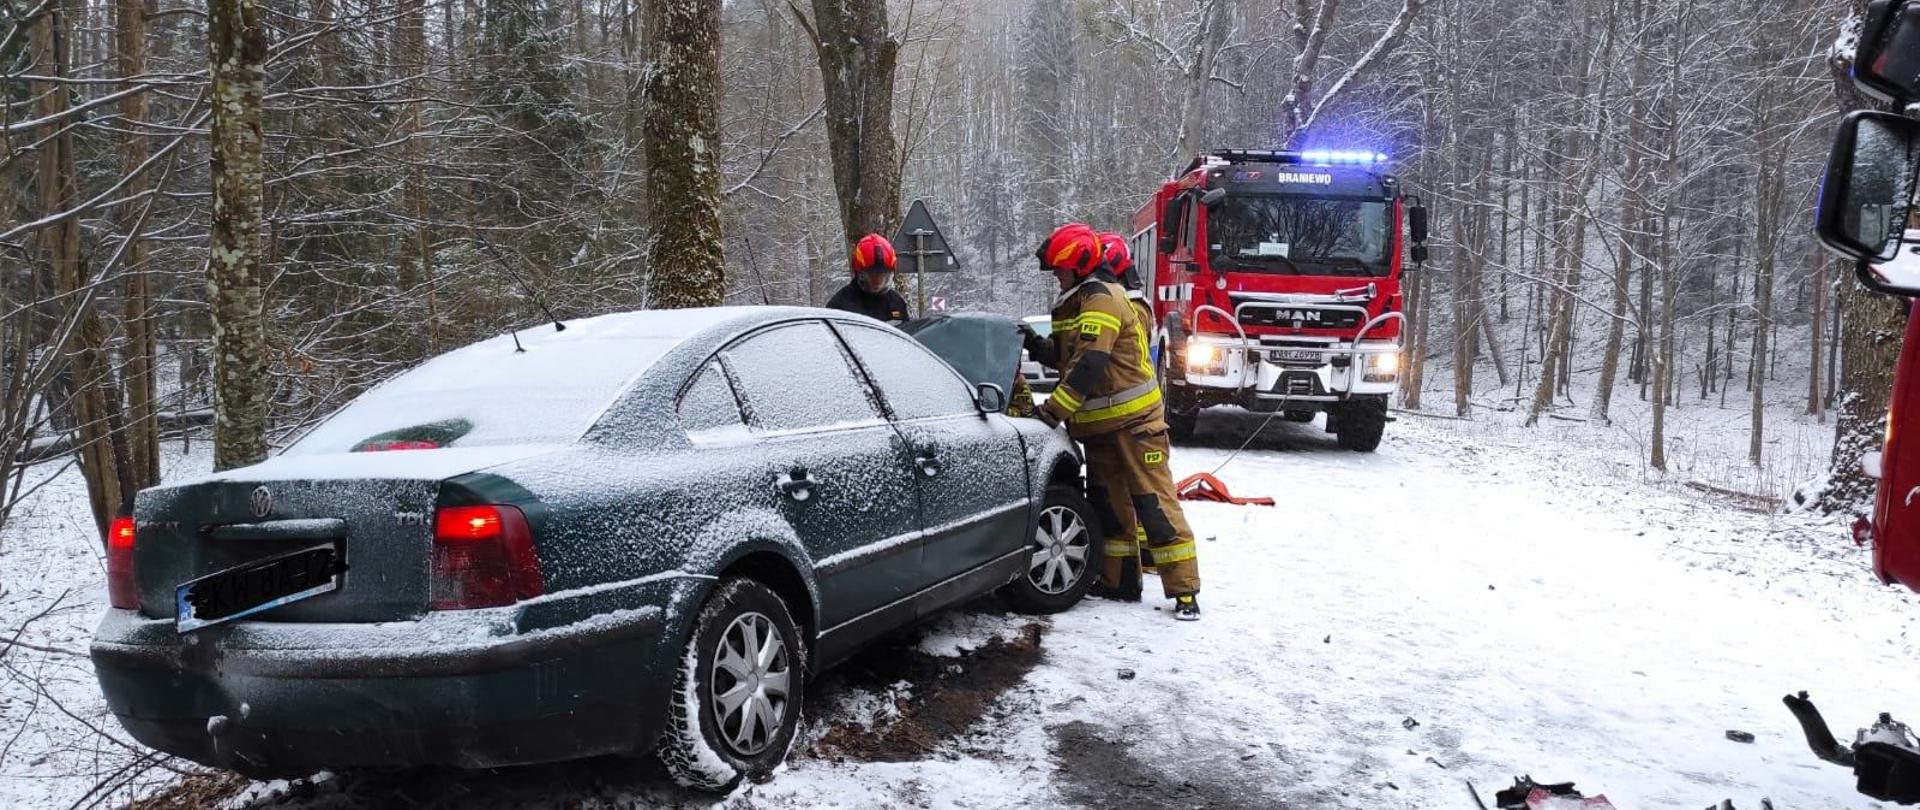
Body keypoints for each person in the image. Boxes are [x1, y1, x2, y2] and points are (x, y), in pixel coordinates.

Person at [1026, 223, 1201, 621]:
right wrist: (1036, 345)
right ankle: (1118, 582)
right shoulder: (1080, 300)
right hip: (1101, 429)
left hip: (1136, 425)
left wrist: (1051, 412)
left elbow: (1089, 365)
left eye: (1060, 269)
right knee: (1110, 509)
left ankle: (1185, 591)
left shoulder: (1102, 299)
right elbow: (1070, 355)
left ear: (1079, 265)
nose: (1056, 276)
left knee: (1154, 505)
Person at [826, 233, 910, 324]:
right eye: (872, 275)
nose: (877, 281)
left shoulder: (897, 303)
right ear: (860, 274)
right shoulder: (841, 304)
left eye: (882, 275)